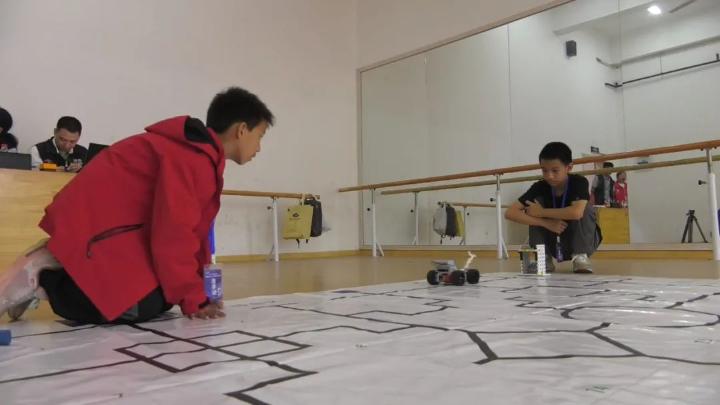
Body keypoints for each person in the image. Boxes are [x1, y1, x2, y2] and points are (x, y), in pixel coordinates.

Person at [0, 87, 274, 323]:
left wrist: (198, 291)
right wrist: (194, 298)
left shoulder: (199, 155)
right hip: (90, 232)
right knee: (137, 306)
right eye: (260, 136)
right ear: (241, 130)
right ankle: (47, 276)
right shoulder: (192, 159)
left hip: (106, 234)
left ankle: (60, 267)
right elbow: (174, 235)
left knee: (164, 298)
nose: (259, 148)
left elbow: (195, 234)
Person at [505, 142, 602, 273]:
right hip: (553, 239)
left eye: (555, 171)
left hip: (577, 238)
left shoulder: (579, 182)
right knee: (533, 206)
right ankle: (543, 258)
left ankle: (581, 256)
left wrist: (542, 212)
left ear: (569, 167)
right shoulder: (539, 187)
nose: (549, 176)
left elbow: (576, 213)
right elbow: (510, 213)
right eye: (544, 170)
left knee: (585, 208)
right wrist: (545, 222)